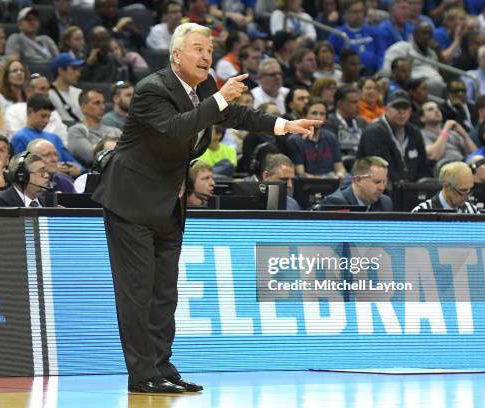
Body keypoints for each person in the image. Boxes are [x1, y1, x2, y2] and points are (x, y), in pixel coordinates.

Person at [92, 22, 320, 394]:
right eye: (198, 48)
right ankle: (142, 374)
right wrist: (219, 100)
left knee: (165, 292)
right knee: (137, 291)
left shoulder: (205, 89)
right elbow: (177, 128)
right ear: (176, 55)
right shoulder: (152, 89)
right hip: (131, 202)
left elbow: (239, 116)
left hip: (168, 203)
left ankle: (163, 367)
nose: (206, 55)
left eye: (210, 50)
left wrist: (285, 125)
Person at [357, 90, 431, 184]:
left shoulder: (414, 132)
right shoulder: (373, 132)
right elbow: (380, 168)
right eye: (396, 107)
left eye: (405, 107)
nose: (401, 112)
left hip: (411, 189)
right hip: (380, 188)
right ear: (385, 108)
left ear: (411, 110)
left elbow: (424, 165)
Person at [68, 88, 122, 167]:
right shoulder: (76, 131)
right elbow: (92, 156)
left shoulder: (115, 130)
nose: (102, 107)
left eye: (103, 103)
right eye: (97, 103)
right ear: (83, 107)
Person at [321, 156, 393, 211]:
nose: (382, 188)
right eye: (377, 182)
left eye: (384, 182)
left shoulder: (385, 203)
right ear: (358, 180)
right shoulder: (336, 203)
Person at [412, 161, 480, 213]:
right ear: (446, 186)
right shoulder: (422, 213)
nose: (467, 196)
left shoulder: (473, 212)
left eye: (470, 190)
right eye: (463, 191)